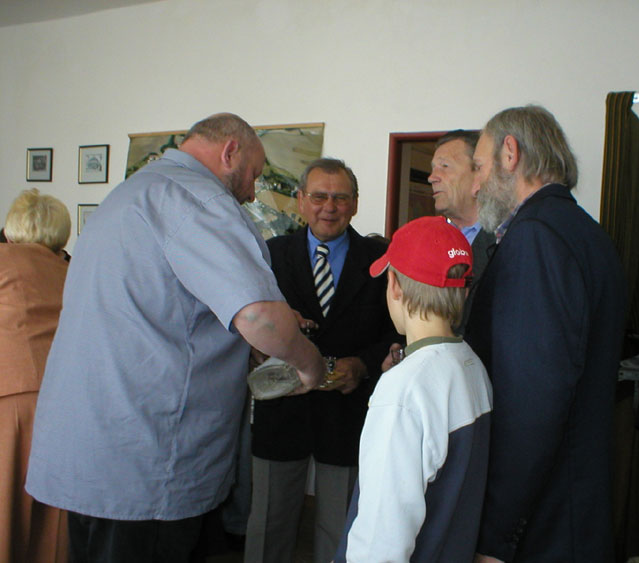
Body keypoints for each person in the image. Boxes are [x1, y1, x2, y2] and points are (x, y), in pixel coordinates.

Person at [25, 113, 327, 563]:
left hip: (92, 450)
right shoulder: (198, 199)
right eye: (253, 175)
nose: (252, 192)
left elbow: (158, 309)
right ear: (230, 152)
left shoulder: (129, 193)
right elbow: (259, 316)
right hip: (146, 460)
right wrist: (310, 365)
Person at [467, 105, 627, 562]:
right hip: (574, 506)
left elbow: (531, 405)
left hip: (543, 524)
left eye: (478, 167)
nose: (475, 185)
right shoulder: (585, 231)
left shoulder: (535, 237)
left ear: (510, 153)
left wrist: (495, 536)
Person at [246, 158, 398, 563]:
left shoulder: (381, 259)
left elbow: (397, 332)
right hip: (282, 408)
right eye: (318, 197)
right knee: (267, 527)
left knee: (341, 531)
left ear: (355, 203)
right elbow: (248, 321)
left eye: (340, 198)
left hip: (348, 414)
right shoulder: (270, 255)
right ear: (300, 200)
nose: (329, 207)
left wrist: (362, 364)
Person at [334, 215, 493, 562]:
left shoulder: (402, 391)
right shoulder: (473, 365)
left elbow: (381, 542)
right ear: (464, 290)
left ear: (394, 286)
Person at [1, 188, 71, 563]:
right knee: (51, 521)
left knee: (4, 510)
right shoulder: (73, 272)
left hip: (7, 399)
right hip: (63, 403)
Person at [428, 130, 496, 333]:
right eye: (433, 168)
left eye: (444, 166)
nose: (432, 178)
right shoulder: (433, 242)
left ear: (479, 174)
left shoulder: (506, 238)